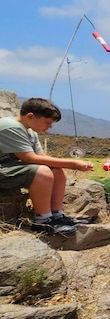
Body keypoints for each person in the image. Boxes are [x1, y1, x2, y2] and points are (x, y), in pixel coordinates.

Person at [0, 97, 94, 235]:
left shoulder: (30, 130)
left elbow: (41, 157)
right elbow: (29, 158)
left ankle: (57, 216)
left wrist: (69, 164)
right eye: (47, 123)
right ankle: (43, 221)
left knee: (56, 170)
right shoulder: (11, 127)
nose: (49, 127)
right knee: (42, 171)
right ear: (30, 116)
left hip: (10, 168)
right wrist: (72, 163)